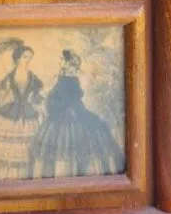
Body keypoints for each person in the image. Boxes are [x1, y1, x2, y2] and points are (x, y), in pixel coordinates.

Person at [29, 49, 124, 178]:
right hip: (61, 112)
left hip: (68, 114)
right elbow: (54, 96)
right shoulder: (61, 77)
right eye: (61, 59)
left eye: (62, 59)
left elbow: (64, 99)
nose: (60, 61)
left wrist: (47, 100)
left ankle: (71, 174)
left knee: (71, 144)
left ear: (68, 62)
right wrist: (46, 98)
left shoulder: (68, 79)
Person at [0, 43, 44, 181]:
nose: (27, 60)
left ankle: (25, 176)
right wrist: (2, 95)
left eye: (30, 57)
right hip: (12, 109)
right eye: (25, 57)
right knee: (9, 144)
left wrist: (38, 100)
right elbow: (1, 93)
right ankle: (8, 177)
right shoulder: (10, 76)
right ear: (17, 59)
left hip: (27, 110)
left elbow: (36, 94)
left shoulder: (33, 77)